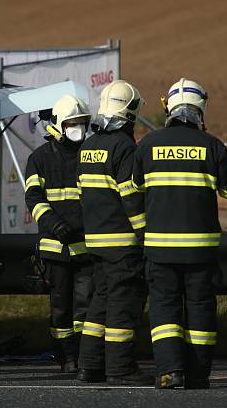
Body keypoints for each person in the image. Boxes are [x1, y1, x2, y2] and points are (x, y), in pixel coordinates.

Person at [132, 78, 227, 389]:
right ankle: (197, 375)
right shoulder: (212, 146)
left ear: (168, 108)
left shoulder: (148, 145)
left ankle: (170, 372)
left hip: (159, 250)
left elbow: (133, 187)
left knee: (164, 310)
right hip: (201, 251)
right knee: (200, 311)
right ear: (201, 109)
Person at [76, 80, 153, 386]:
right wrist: (145, 234)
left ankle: (89, 366)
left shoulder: (88, 146)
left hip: (95, 241)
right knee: (123, 303)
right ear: (130, 112)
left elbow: (83, 193)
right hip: (122, 243)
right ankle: (120, 368)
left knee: (100, 302)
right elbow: (131, 198)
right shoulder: (124, 148)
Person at [24, 94, 94, 373]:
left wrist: (84, 224)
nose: (79, 128)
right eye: (73, 123)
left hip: (87, 246)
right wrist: (55, 224)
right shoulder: (39, 159)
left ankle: (86, 357)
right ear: (57, 125)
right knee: (61, 309)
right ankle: (66, 357)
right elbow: (33, 198)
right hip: (55, 248)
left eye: (82, 123)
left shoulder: (91, 154)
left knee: (85, 307)